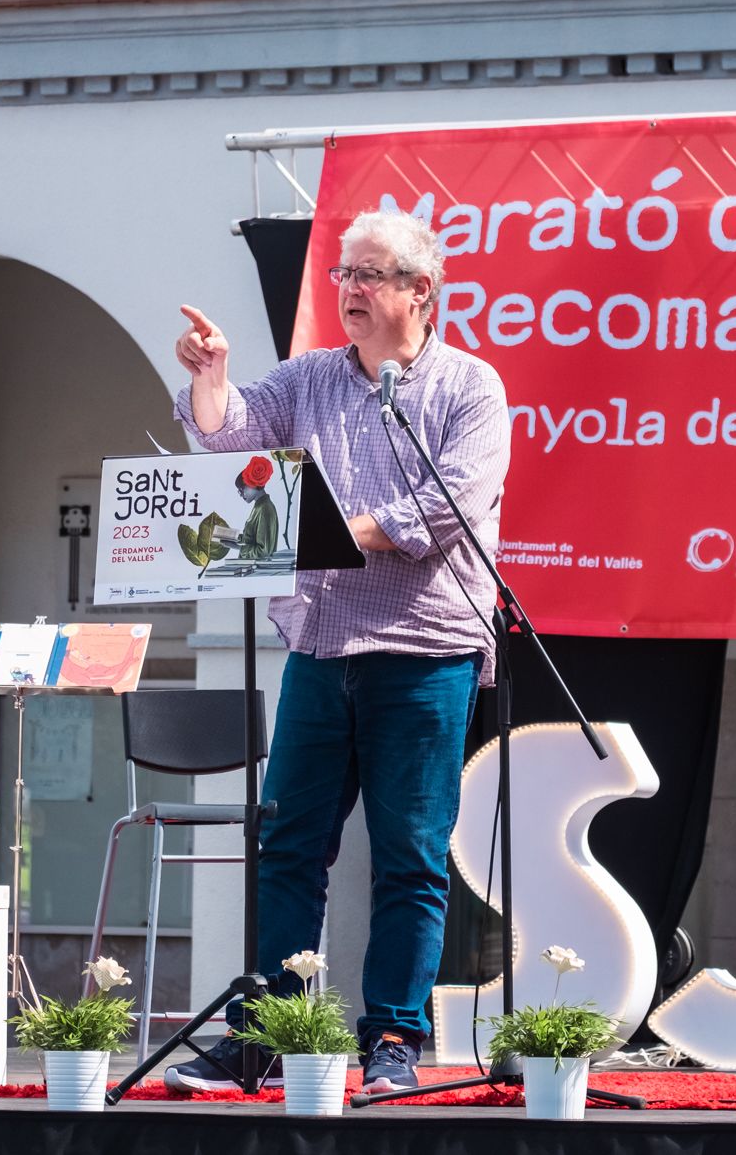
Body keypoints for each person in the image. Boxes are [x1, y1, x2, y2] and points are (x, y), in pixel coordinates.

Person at [162, 210, 509, 1096]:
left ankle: (392, 1038)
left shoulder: (470, 387)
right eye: (344, 275)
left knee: (409, 855)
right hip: (319, 647)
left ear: (419, 291)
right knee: (289, 848)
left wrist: (325, 529)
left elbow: (438, 514)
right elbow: (229, 435)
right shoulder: (310, 376)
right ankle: (269, 1034)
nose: (348, 290)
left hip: (425, 653)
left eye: (369, 275)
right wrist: (212, 379)